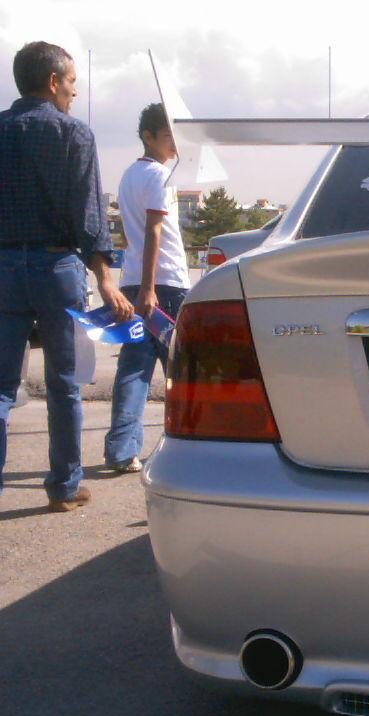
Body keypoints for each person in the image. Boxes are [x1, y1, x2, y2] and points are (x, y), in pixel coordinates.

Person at [0, 41, 133, 512]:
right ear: (54, 82)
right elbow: (89, 215)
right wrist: (106, 278)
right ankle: (65, 486)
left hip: (3, 269)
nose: (75, 92)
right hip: (57, 268)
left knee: (1, 388)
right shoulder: (74, 134)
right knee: (64, 384)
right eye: (73, 82)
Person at [103, 104, 190, 473]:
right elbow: (154, 231)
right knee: (183, 370)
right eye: (168, 135)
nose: (174, 143)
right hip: (163, 284)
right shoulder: (159, 175)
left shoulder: (129, 175)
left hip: (135, 281)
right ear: (148, 136)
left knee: (134, 369)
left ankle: (122, 450)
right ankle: (190, 446)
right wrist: (150, 289)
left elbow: (133, 233)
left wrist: (140, 286)